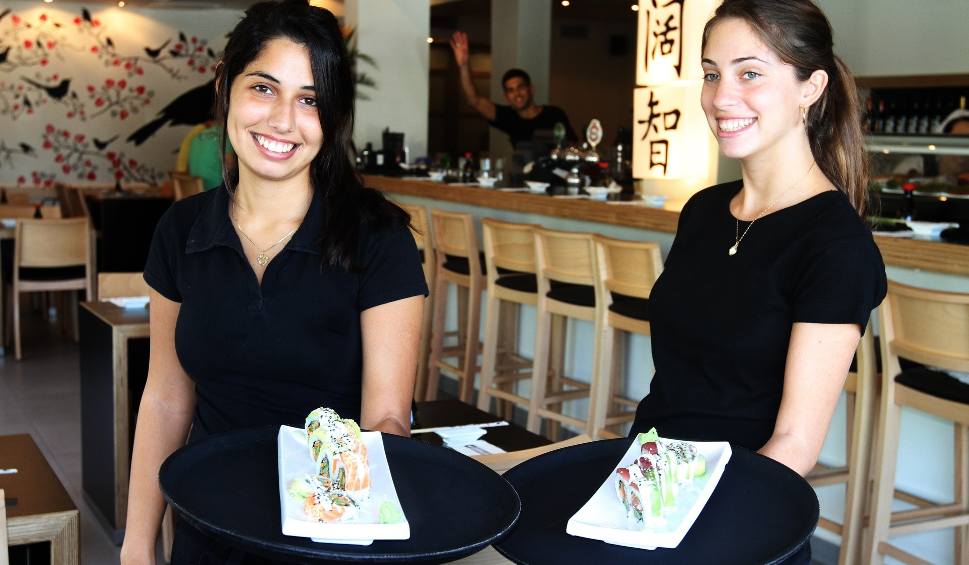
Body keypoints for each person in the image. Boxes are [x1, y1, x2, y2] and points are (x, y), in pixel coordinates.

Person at [119, 2, 427, 563]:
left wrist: (350, 521)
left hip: (329, 537)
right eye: (264, 88)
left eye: (310, 100)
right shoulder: (181, 231)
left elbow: (385, 419)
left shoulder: (378, 239)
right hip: (208, 524)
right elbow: (164, 397)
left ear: (332, 114)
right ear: (224, 86)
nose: (284, 121)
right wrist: (136, 546)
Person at [631, 0, 886, 493]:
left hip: (737, 497)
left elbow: (794, 445)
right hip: (648, 480)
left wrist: (684, 511)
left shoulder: (836, 245)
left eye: (749, 74)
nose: (721, 97)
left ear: (811, 88)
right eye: (711, 75)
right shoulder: (703, 211)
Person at [449, 31, 577, 148]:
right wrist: (464, 65)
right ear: (506, 97)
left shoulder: (554, 114)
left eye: (520, 87)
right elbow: (474, 100)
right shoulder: (509, 118)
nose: (517, 94)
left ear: (531, 89)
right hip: (523, 168)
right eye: (510, 90)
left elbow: (573, 146)